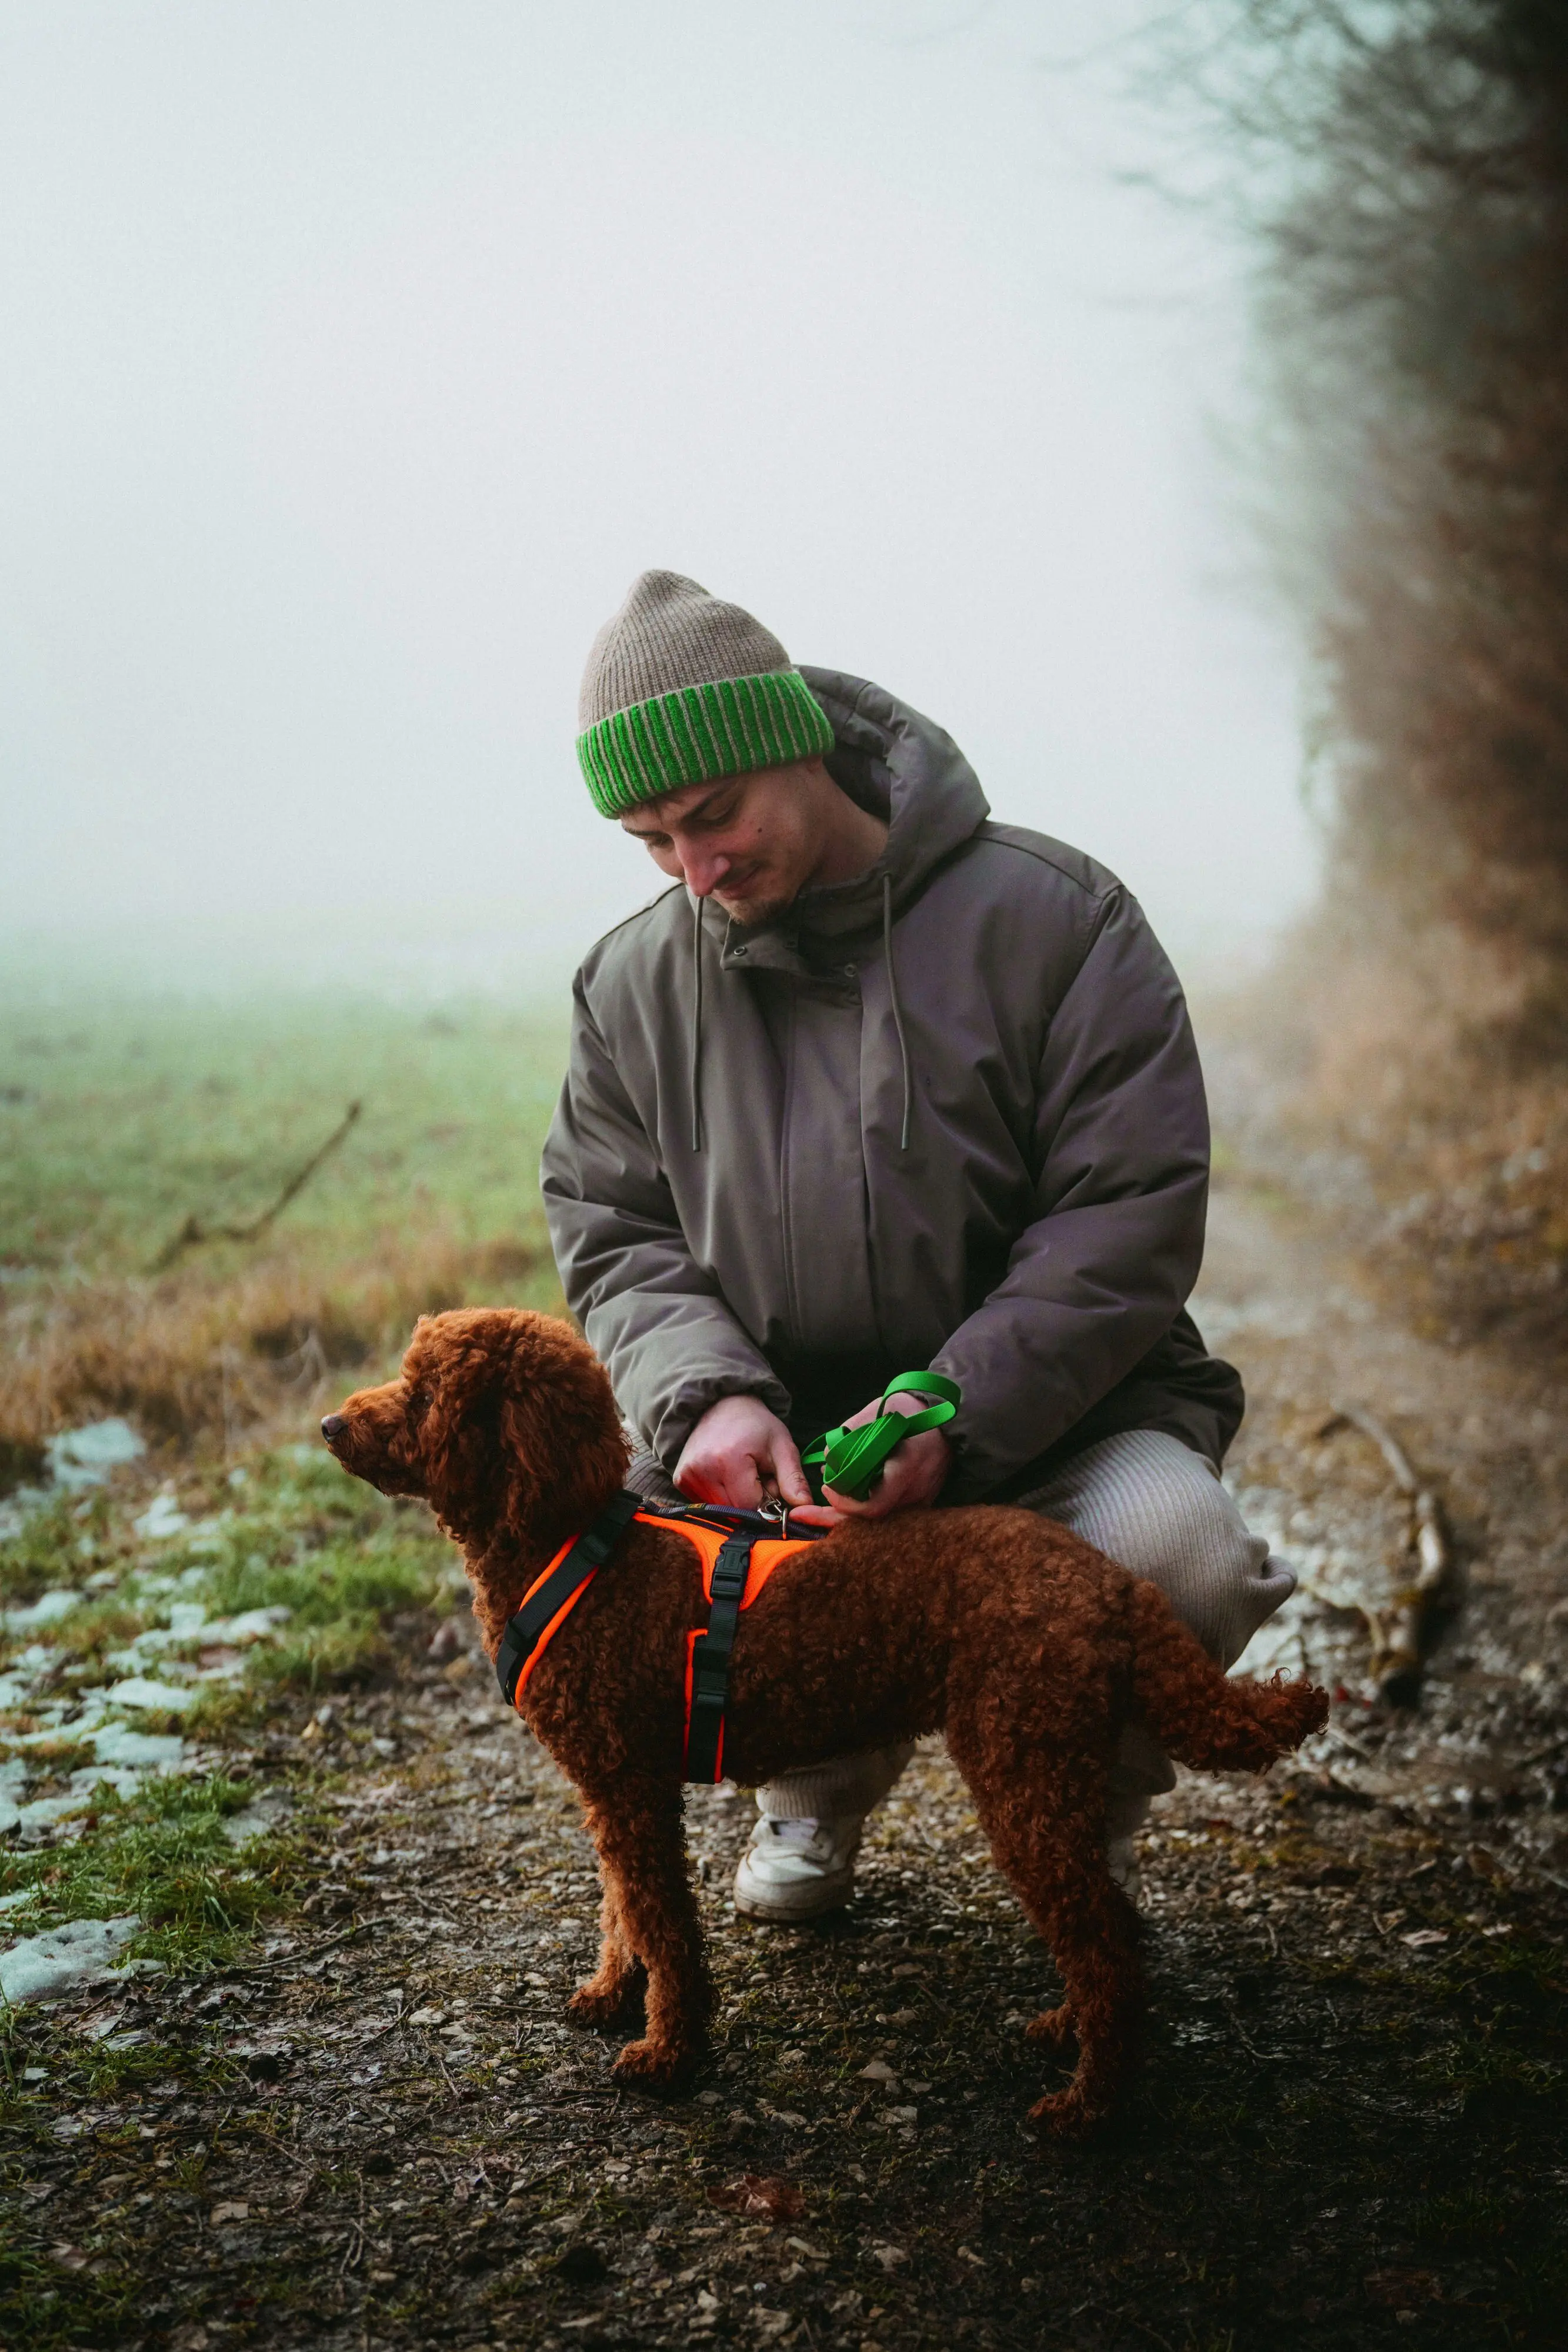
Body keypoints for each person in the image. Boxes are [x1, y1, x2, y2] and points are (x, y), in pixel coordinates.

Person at [541, 569, 1294, 1921]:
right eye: (651, 840)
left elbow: (1124, 1212)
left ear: (800, 743)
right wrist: (705, 1393)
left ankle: (1084, 1820)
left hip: (1060, 1428)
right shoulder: (628, 984)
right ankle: (813, 1789)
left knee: (1183, 1554)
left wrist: (958, 1404)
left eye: (714, 817)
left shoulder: (1059, 919)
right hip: (788, 1461)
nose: (696, 872)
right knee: (635, 1579)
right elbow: (614, 1228)